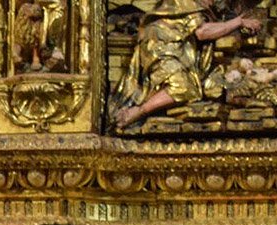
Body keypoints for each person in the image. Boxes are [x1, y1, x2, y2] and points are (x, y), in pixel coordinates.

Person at [111, 0, 262, 129]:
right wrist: (238, 22)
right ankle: (137, 112)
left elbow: (216, 28)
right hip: (161, 46)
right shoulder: (186, 2)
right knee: (183, 87)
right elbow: (202, 32)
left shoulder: (208, 8)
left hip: (178, 51)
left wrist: (239, 27)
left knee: (197, 87)